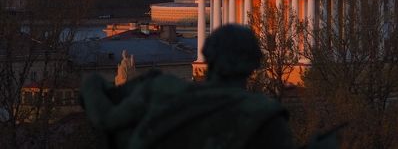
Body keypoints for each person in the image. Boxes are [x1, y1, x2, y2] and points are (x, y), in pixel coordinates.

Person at [80, 25, 295, 148]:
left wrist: (92, 83)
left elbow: (105, 118)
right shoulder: (266, 116)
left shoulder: (162, 90)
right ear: (253, 64)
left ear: (209, 55)